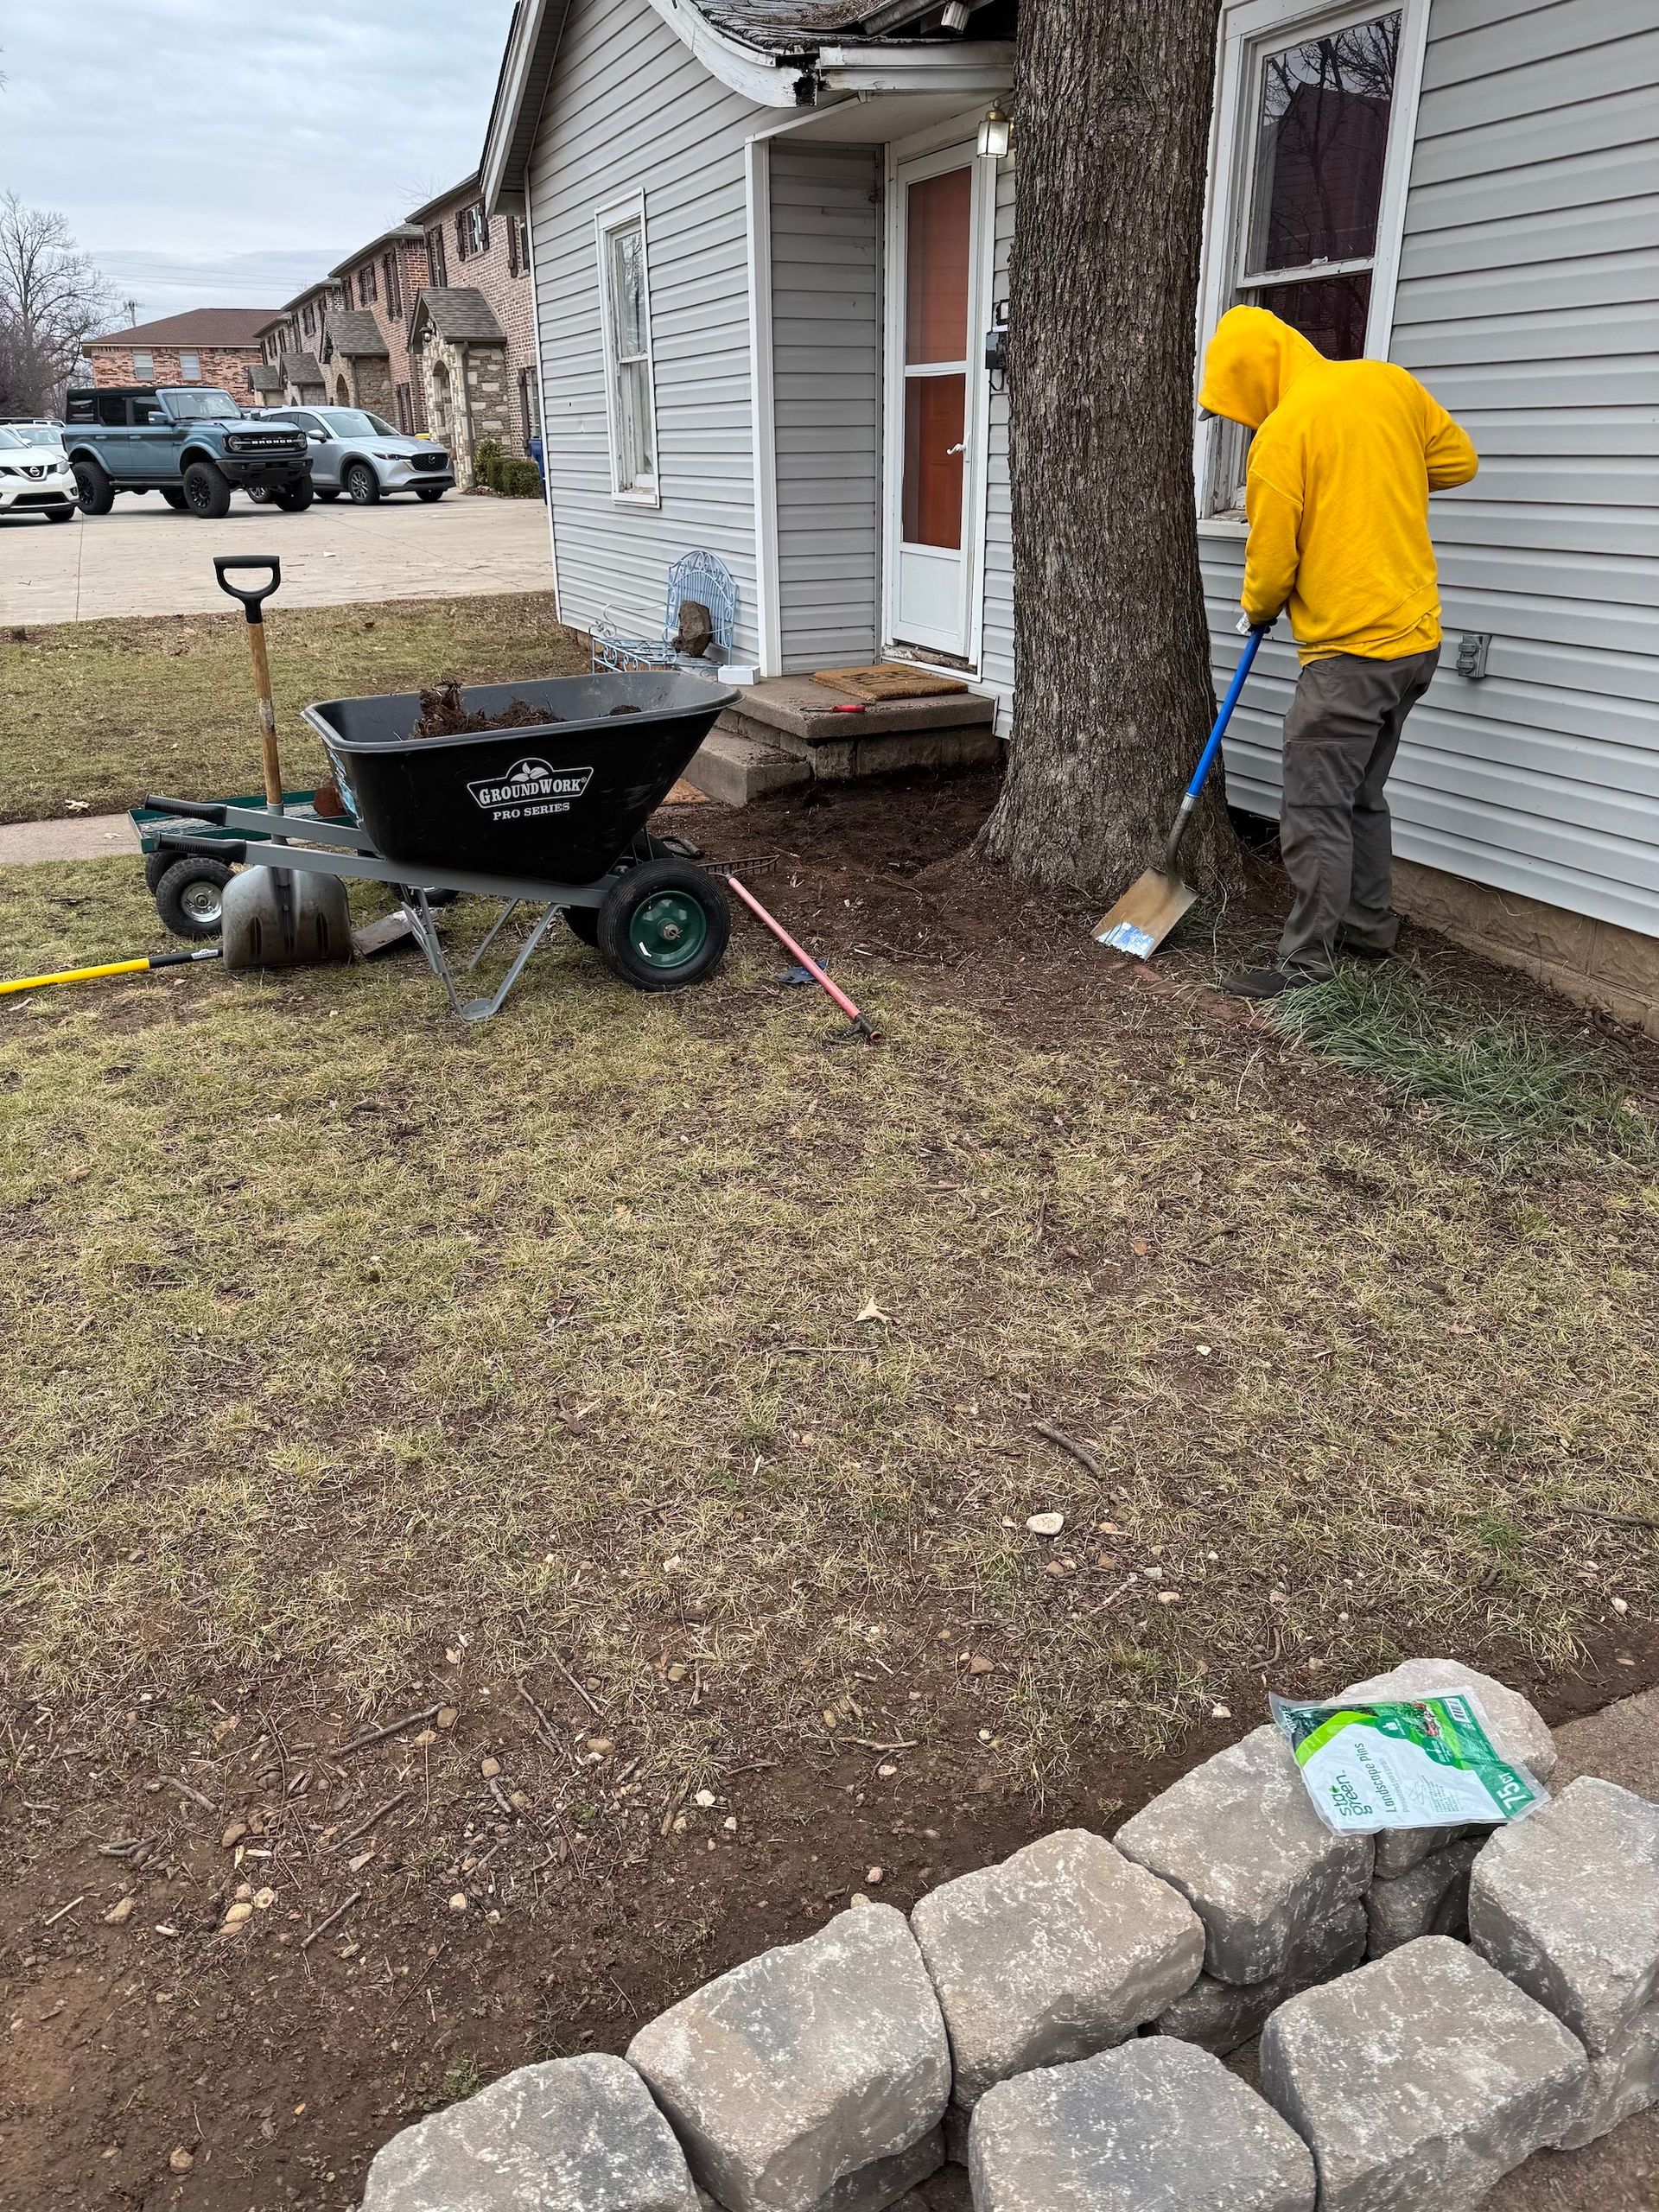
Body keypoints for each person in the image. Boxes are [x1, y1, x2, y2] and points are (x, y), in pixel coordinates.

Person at [1197, 305, 1478, 999]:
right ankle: (1368, 930)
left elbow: (1270, 562)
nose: (1242, 420)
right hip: (1416, 644)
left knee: (1315, 808)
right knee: (1362, 797)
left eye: (1237, 405)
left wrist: (1259, 609)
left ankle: (1306, 967)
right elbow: (1458, 462)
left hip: (1349, 656)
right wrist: (1378, 480)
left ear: (1254, 380)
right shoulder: (1388, 384)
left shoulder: (1286, 431)